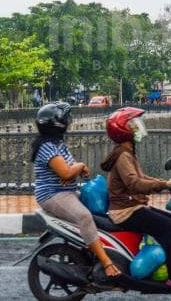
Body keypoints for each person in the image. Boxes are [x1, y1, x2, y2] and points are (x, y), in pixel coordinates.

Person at [100, 107, 171, 292]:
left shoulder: (126, 153)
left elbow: (142, 177)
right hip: (126, 211)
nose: (139, 128)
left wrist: (167, 182)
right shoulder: (123, 156)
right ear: (124, 131)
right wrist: (164, 185)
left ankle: (164, 262)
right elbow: (135, 183)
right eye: (134, 126)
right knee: (168, 227)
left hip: (132, 206)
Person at [31, 102, 120, 278]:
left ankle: (95, 250)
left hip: (66, 192)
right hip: (53, 195)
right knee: (84, 217)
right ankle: (106, 262)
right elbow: (66, 171)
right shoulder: (47, 146)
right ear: (58, 123)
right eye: (66, 119)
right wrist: (78, 167)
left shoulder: (57, 144)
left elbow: (68, 170)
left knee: (99, 211)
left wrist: (73, 171)